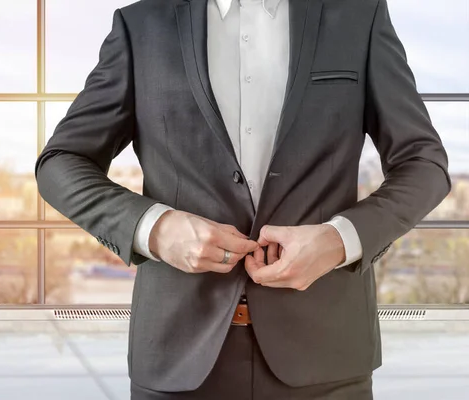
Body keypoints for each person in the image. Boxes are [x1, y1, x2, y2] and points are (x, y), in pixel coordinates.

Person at [34, 0, 451, 398]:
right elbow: (61, 163)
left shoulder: (359, 18)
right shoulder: (139, 26)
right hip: (176, 356)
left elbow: (424, 164)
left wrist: (340, 239)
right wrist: (156, 229)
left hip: (329, 354)